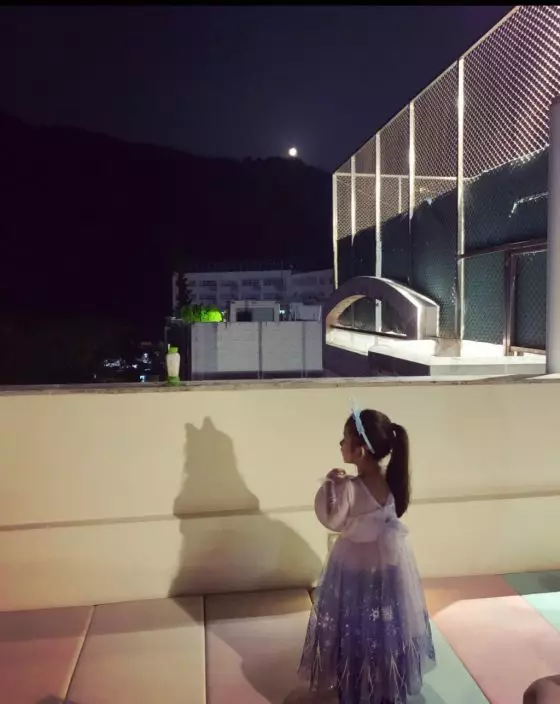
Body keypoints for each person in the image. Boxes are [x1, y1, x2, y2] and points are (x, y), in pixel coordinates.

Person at [298, 407, 436, 704]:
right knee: (386, 624)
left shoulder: (350, 487)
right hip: (390, 565)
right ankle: (386, 683)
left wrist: (331, 486)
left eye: (345, 438)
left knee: (354, 623)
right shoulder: (392, 480)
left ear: (359, 450)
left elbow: (332, 520)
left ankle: (356, 685)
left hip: (354, 565)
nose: (340, 443)